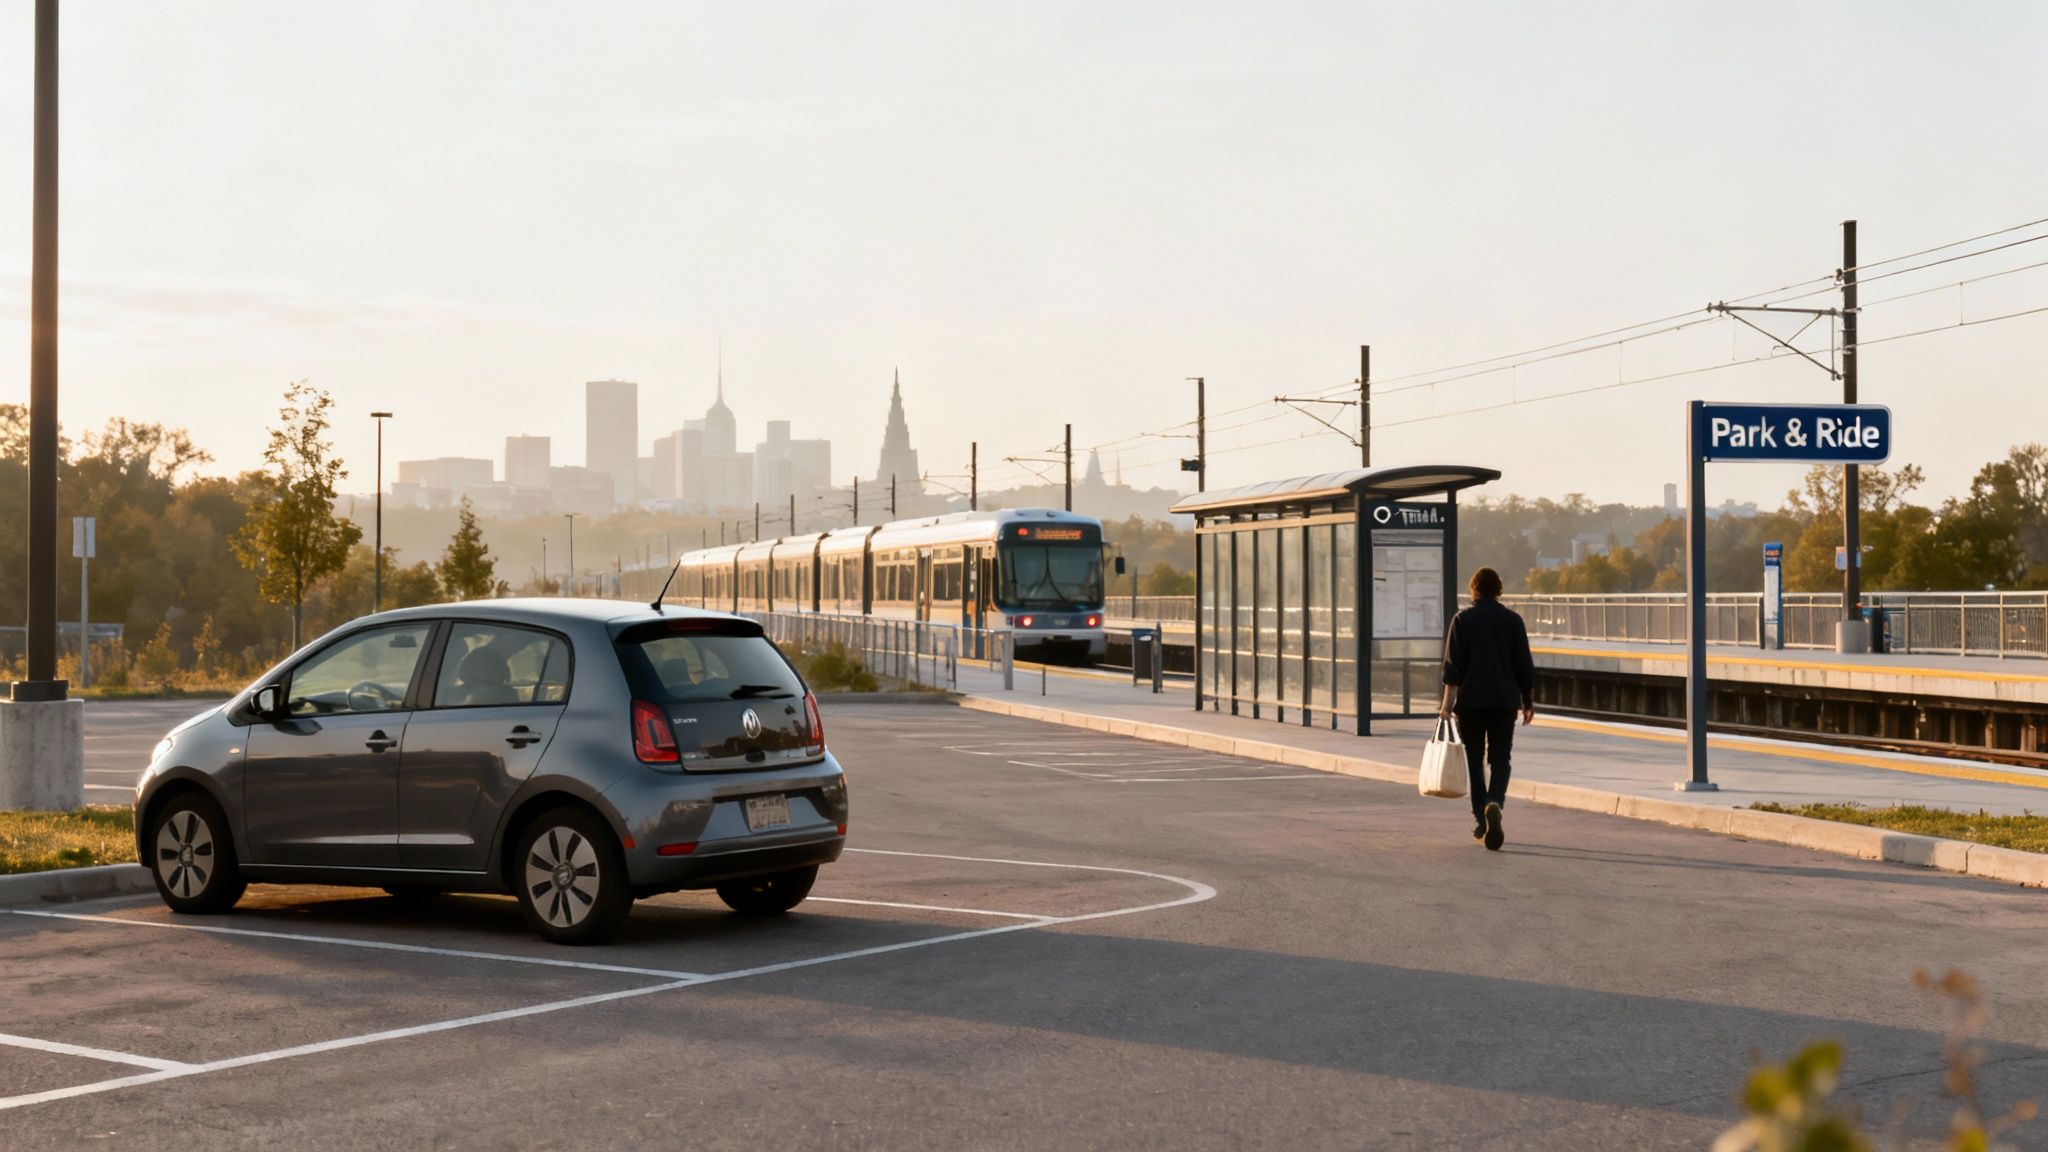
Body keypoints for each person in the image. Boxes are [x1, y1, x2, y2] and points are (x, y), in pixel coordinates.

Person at [1439, 566, 1535, 851]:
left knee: (1475, 760)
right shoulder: (1513, 621)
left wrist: (1446, 706)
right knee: (1501, 759)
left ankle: (1482, 819)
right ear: (1499, 590)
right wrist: (1528, 703)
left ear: (1474, 590)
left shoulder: (1462, 620)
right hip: (1504, 701)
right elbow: (1524, 666)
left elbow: (1452, 669)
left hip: (1470, 703)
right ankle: (1496, 802)